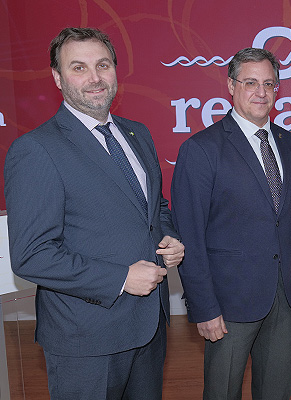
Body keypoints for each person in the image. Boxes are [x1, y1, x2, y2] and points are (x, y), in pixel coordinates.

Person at [4, 27, 184, 399]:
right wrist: (120, 278)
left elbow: (155, 208)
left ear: (115, 70)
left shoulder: (138, 133)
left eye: (102, 65)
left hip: (149, 327)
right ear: (57, 77)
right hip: (86, 338)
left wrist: (171, 238)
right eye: (79, 67)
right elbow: (31, 256)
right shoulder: (36, 149)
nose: (95, 78)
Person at [171, 47, 291, 400]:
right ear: (231, 86)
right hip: (228, 303)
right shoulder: (201, 149)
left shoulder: (290, 143)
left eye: (269, 83)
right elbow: (189, 234)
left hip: (285, 296)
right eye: (250, 83)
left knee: (277, 390)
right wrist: (203, 306)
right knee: (222, 392)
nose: (261, 92)